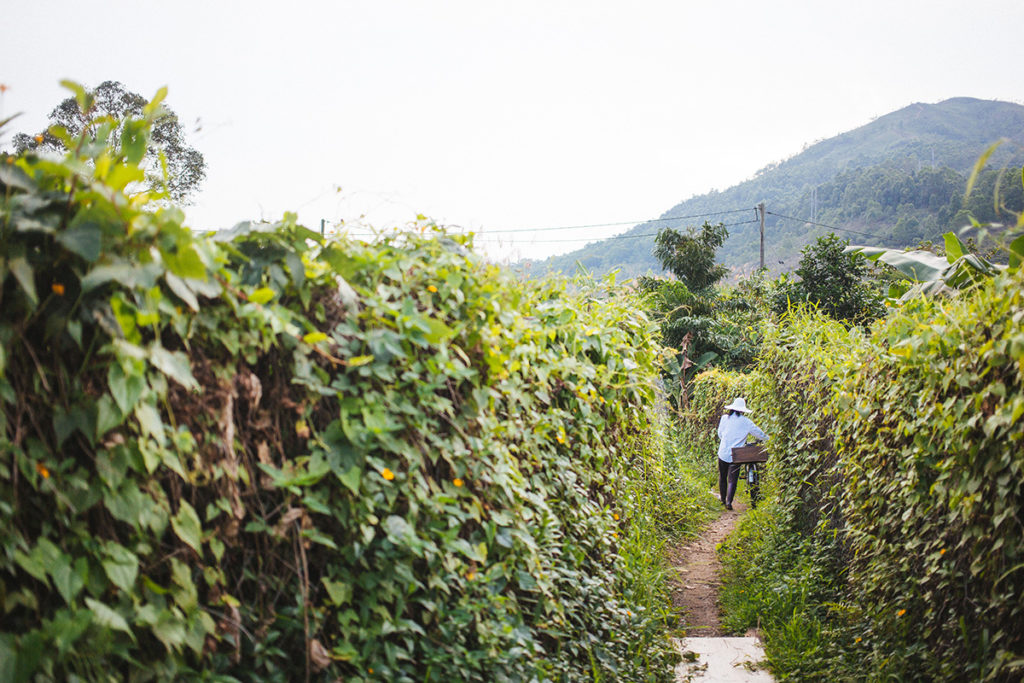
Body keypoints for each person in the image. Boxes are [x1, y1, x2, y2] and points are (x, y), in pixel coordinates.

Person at [716, 397, 767, 510]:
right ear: (742, 410)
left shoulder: (724, 418)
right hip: (737, 454)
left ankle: (723, 500)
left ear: (732, 409)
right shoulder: (746, 422)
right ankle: (729, 502)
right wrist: (769, 439)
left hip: (723, 452)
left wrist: (726, 441)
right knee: (732, 479)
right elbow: (759, 434)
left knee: (723, 477)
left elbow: (720, 434)